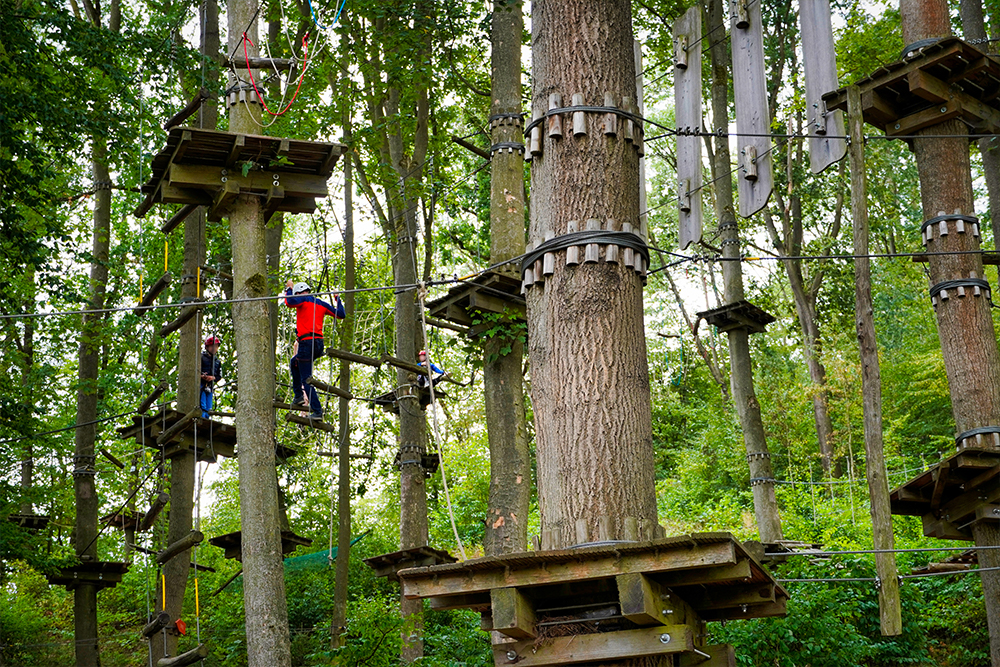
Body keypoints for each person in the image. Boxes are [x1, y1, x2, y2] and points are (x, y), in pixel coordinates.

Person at [284, 280, 345, 420]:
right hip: (318, 344)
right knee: (295, 362)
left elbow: (289, 302)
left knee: (306, 379)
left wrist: (288, 288)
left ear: (299, 293)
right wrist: (337, 298)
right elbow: (340, 314)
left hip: (307, 343)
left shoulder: (303, 299)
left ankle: (317, 411)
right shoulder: (321, 303)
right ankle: (298, 396)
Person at [200, 336, 222, 418]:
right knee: (202, 403)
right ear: (207, 347)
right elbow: (196, 370)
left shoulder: (217, 362)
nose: (214, 348)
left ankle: (207, 418)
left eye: (216, 346)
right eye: (212, 346)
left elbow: (219, 375)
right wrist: (202, 376)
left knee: (209, 406)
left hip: (210, 386)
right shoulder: (201, 357)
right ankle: (202, 417)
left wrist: (212, 378)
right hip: (201, 384)